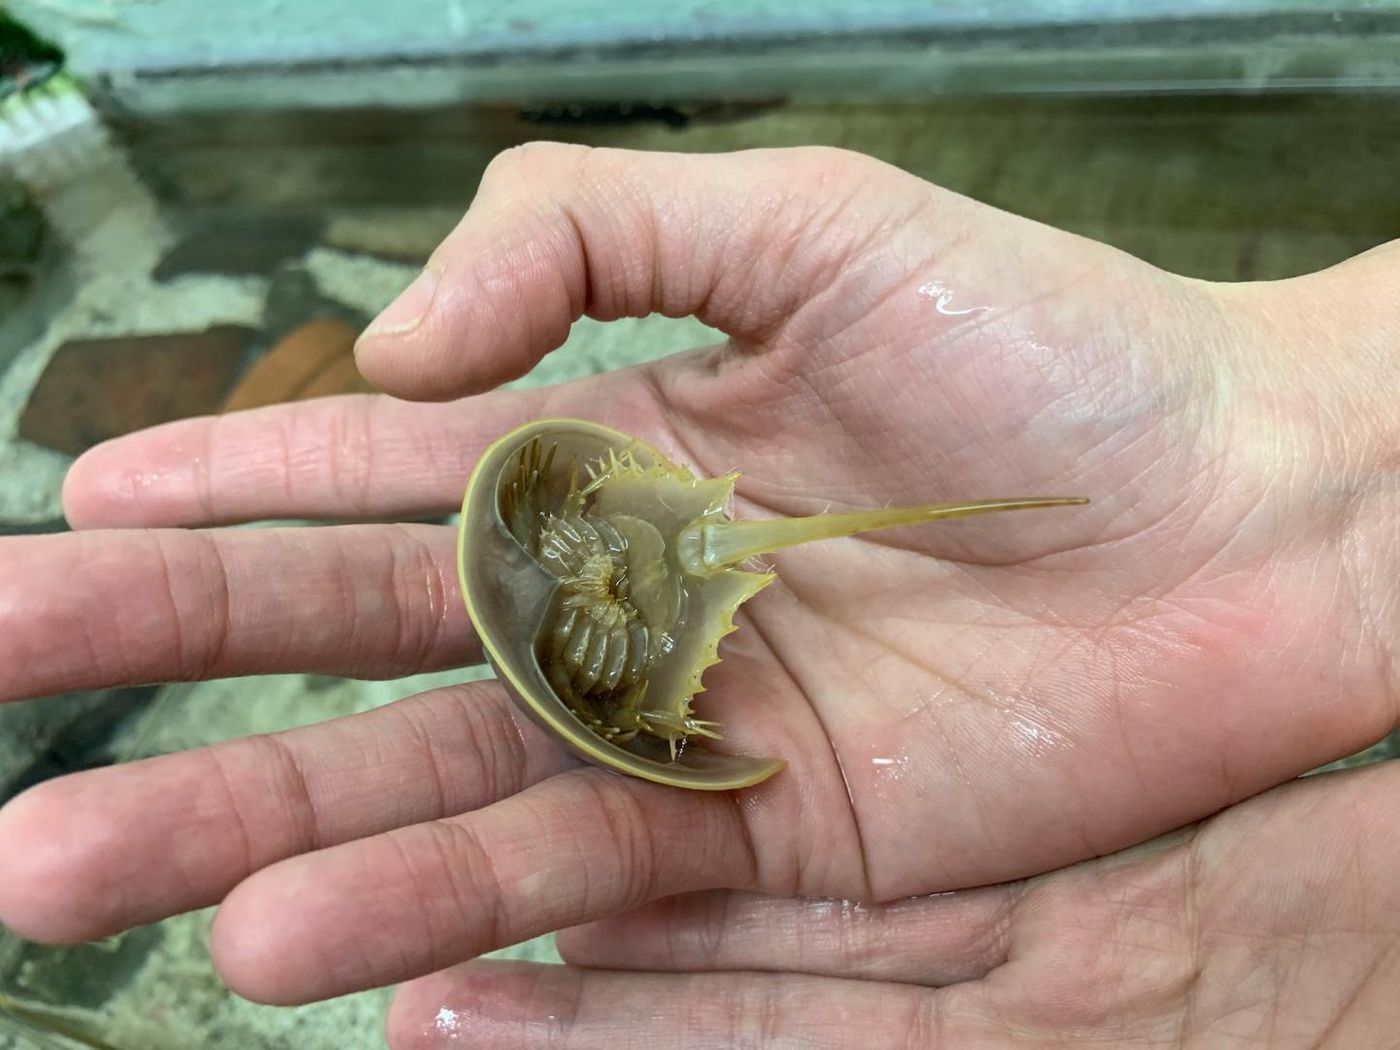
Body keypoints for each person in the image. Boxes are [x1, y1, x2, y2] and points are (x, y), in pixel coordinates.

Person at [0, 143, 1396, 1048]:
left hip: (626, 552)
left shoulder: (629, 537)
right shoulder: (609, 571)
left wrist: (1287, 427)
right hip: (621, 569)